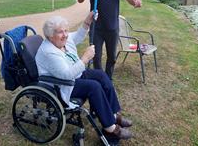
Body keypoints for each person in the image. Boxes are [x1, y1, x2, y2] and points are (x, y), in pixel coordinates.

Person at [35, 12, 133, 140]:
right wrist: (85, 58)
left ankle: (113, 115)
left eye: (66, 30)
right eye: (60, 32)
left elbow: (78, 36)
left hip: (75, 76)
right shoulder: (48, 52)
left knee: (101, 75)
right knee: (94, 87)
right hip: (61, 85)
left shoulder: (61, 40)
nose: (65, 35)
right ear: (50, 36)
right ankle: (110, 128)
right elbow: (67, 74)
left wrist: (87, 22)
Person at [77, 0, 142, 80]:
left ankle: (108, 78)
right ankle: (100, 79)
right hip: (96, 29)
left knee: (112, 57)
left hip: (112, 29)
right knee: (96, 57)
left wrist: (136, 1)